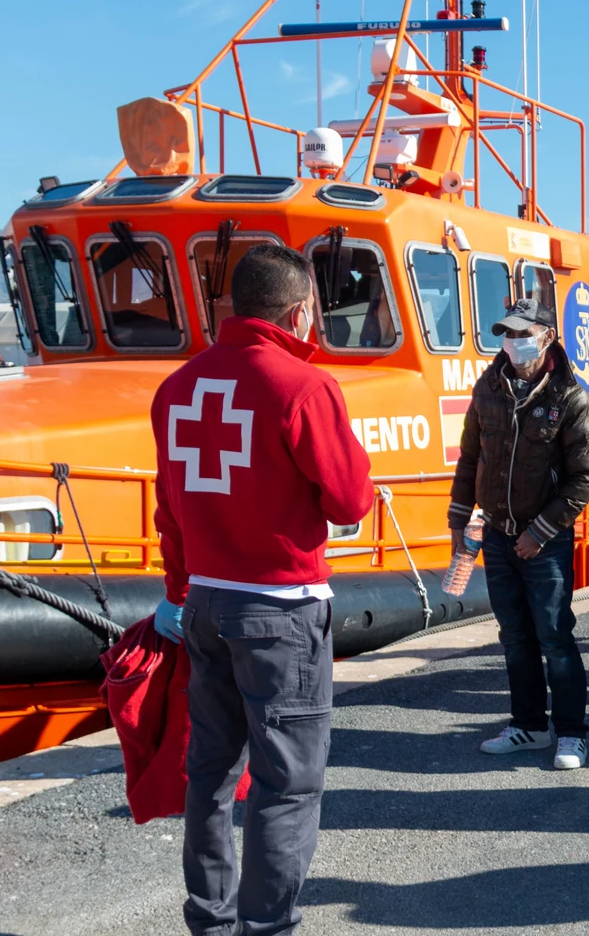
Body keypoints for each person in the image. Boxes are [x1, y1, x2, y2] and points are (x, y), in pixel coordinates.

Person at [149, 245, 374, 936]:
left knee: (209, 773)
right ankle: (268, 926)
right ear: (301, 310)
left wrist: (178, 591)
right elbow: (348, 500)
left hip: (205, 604)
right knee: (287, 782)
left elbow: (170, 508)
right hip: (282, 609)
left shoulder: (176, 388)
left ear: (233, 308)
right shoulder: (304, 387)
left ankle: (210, 920)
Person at [449, 297, 589, 771]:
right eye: (507, 334)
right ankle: (530, 725)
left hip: (545, 541)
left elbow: (586, 476)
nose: (514, 342)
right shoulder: (487, 389)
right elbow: (470, 459)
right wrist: (459, 522)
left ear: (546, 337)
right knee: (514, 637)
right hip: (496, 534)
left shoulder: (568, 399)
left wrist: (540, 531)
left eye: (523, 333)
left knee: (555, 637)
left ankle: (572, 733)